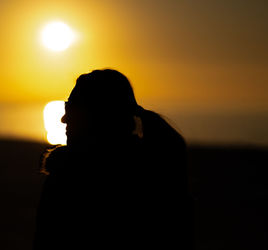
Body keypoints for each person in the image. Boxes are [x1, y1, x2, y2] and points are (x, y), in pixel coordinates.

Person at [33, 69, 193, 249]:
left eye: (72, 108)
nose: (64, 119)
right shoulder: (159, 175)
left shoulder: (65, 179)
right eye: (66, 107)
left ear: (100, 116)